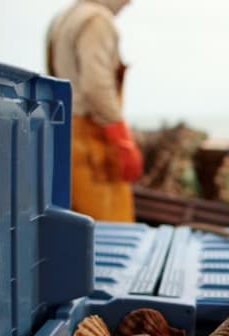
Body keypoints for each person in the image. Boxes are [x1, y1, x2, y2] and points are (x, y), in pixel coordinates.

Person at [47, 0, 143, 222]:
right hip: (93, 142)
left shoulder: (65, 18)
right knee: (112, 229)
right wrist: (124, 142)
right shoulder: (97, 20)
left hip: (66, 133)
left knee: (76, 224)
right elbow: (96, 86)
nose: (130, 2)